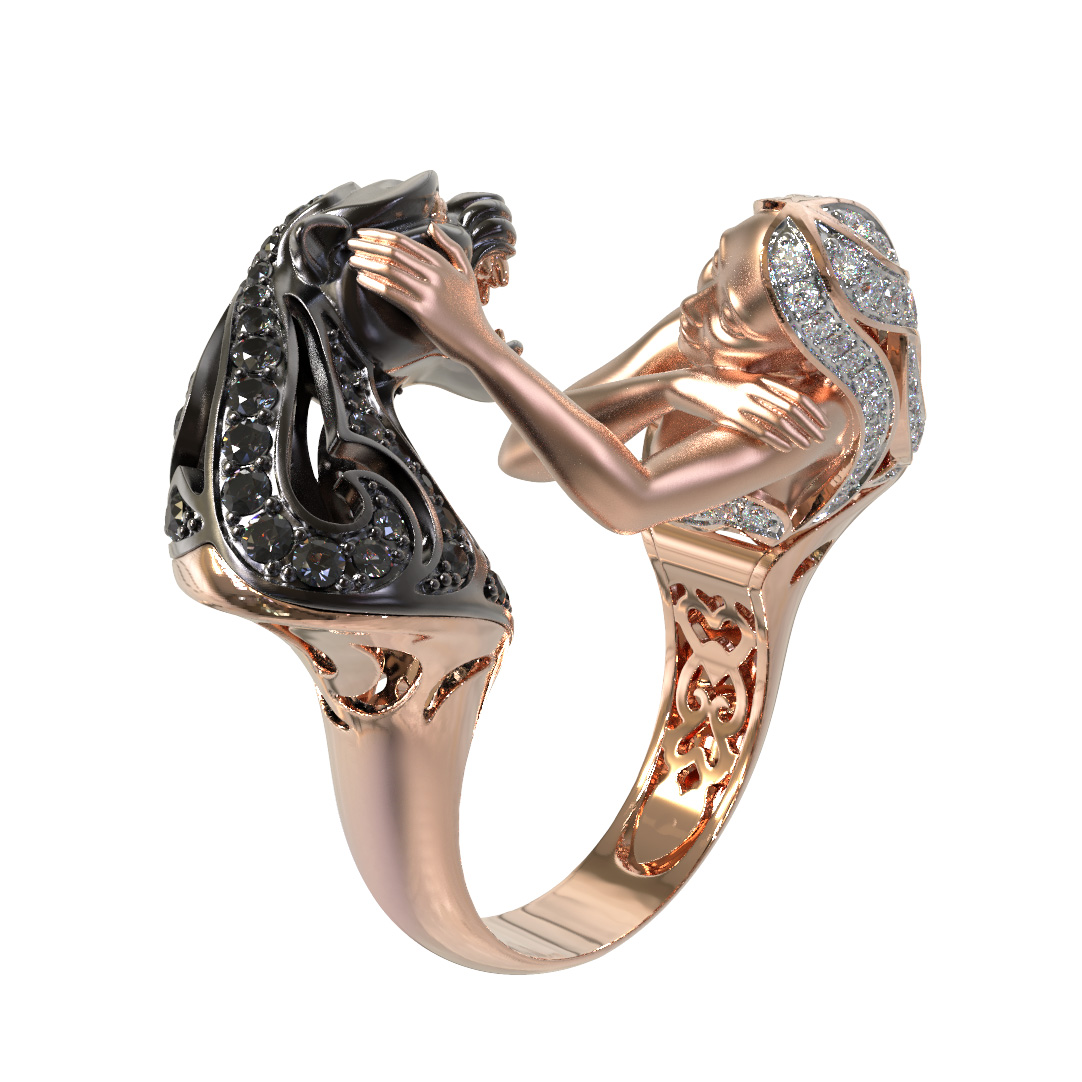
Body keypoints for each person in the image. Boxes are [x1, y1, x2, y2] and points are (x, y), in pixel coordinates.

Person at [348, 202, 860, 540]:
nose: (694, 305)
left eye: (729, 315)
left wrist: (477, 342)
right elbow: (523, 454)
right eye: (715, 266)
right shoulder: (703, 333)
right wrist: (674, 387)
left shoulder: (815, 416)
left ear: (801, 355)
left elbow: (631, 505)